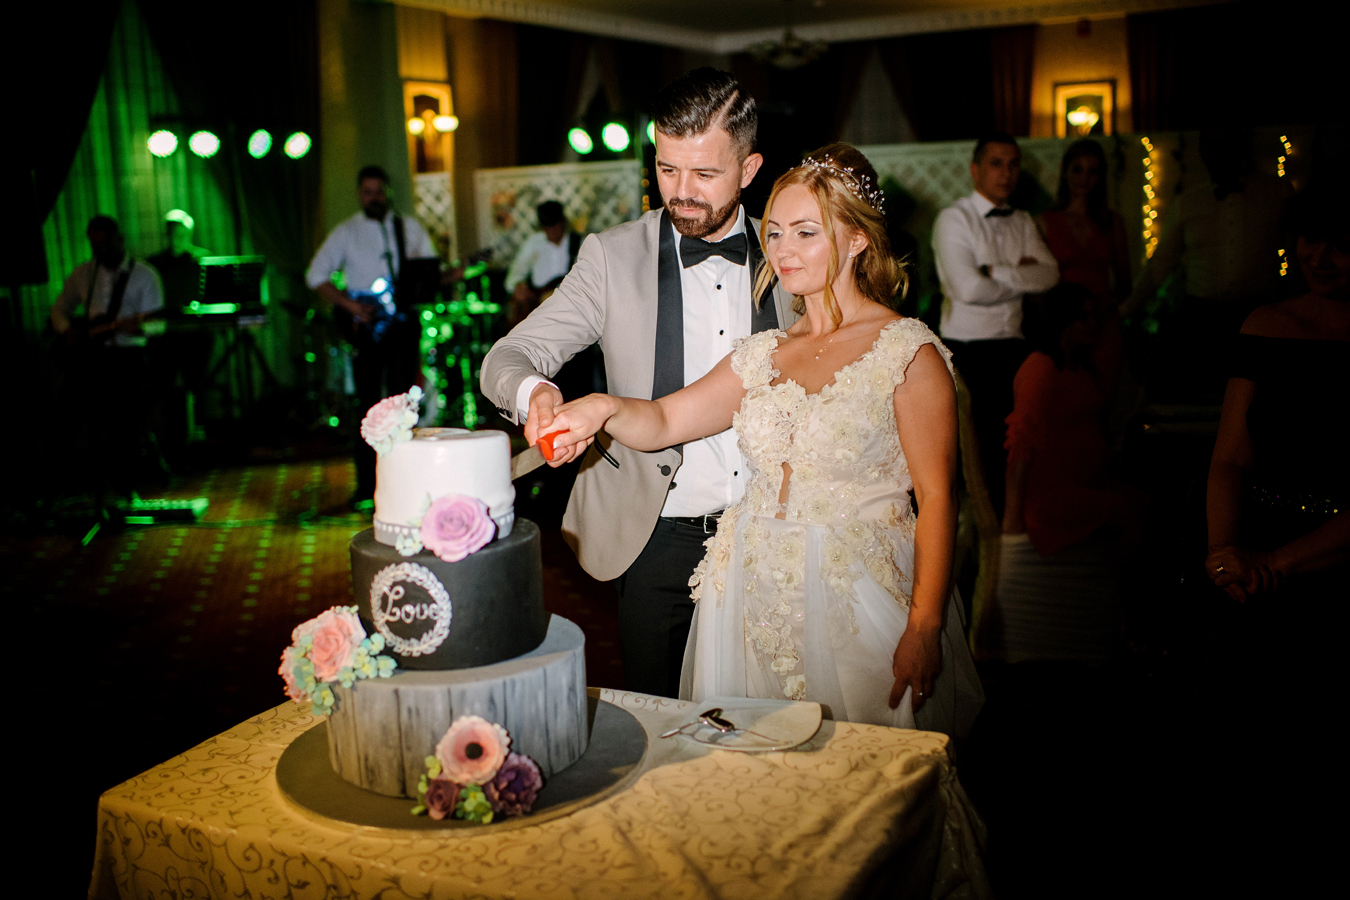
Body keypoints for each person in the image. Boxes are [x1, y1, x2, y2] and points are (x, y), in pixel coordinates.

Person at [542, 144, 983, 734]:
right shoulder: (763, 352)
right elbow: (666, 421)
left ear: (857, 239)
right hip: (748, 597)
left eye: (806, 233)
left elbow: (937, 498)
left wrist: (925, 624)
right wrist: (604, 408)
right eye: (774, 233)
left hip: (855, 595)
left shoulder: (908, 351)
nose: (782, 250)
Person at [480, 68, 797, 698]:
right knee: (660, 722)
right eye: (667, 168)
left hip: (778, 532)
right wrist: (536, 393)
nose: (681, 193)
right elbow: (507, 356)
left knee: (774, 723)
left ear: (750, 169)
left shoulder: (793, 252)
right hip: (655, 536)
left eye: (704, 174)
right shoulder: (611, 256)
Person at [993, 282, 1140, 664]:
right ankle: (1130, 619)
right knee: (1138, 518)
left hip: (1083, 485)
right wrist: (1012, 521)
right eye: (1083, 316)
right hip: (1050, 496)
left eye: (1094, 316)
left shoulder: (1080, 366)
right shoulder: (1041, 366)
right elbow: (1021, 441)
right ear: (1063, 321)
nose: (1093, 324)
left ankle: (1121, 618)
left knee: (1152, 506)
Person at [933, 132, 1058, 516]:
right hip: (969, 349)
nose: (1006, 173)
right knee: (982, 451)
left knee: (1025, 444)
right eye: (996, 163)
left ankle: (1017, 525)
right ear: (975, 170)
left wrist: (994, 271)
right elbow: (968, 288)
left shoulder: (1022, 220)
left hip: (1015, 344)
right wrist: (1020, 278)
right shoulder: (954, 218)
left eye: (1013, 164)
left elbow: (1050, 275)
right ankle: (990, 531)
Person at [1125, 128, 1292, 401]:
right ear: (1202, 153)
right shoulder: (1189, 202)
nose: (1220, 154)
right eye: (1212, 146)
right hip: (1203, 322)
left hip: (1260, 316)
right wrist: (1128, 308)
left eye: (1227, 145)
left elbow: (1298, 254)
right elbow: (1161, 263)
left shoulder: (1276, 192)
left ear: (1241, 148)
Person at [306, 165, 439, 506]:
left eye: (379, 191)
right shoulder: (347, 232)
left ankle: (406, 484)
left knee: (404, 404)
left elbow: (429, 271)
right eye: (368, 192)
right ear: (359, 195)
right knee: (367, 406)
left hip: (403, 326)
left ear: (388, 193)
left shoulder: (408, 228)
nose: (374, 198)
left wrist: (444, 276)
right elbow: (316, 275)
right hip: (366, 330)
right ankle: (367, 486)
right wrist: (350, 305)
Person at [50, 215, 167, 497]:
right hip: (89, 358)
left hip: (127, 358)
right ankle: (62, 483)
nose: (99, 250)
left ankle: (124, 486)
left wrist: (139, 327)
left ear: (120, 239)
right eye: (94, 245)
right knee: (69, 417)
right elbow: (59, 308)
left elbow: (159, 324)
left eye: (104, 244)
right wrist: (67, 331)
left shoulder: (145, 275)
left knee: (124, 424)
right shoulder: (83, 274)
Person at [504, 200, 582, 324]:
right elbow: (517, 269)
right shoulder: (534, 242)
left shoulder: (578, 243)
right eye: (547, 228)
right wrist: (518, 284)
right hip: (538, 306)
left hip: (569, 306)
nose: (551, 232)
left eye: (555, 227)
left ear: (563, 222)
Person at [146, 209, 209, 312]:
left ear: (189, 235)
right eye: (170, 235)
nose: (174, 241)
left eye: (180, 236)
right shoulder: (154, 263)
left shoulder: (203, 260)